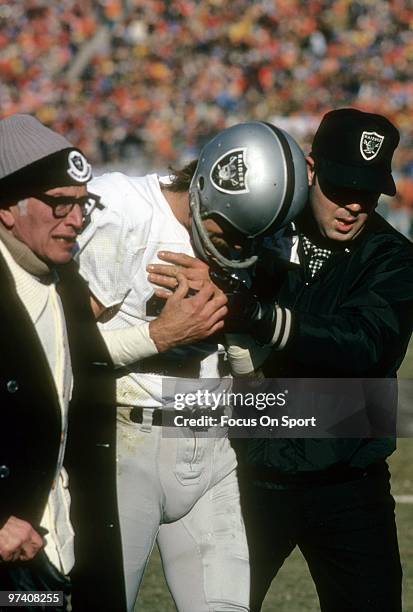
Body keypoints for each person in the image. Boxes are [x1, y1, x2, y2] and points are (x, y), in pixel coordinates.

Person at [150, 108, 413, 612]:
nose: (352, 206)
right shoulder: (263, 229)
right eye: (339, 187)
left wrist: (258, 316)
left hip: (350, 486)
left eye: (367, 193)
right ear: (311, 171)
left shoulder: (393, 258)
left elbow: (364, 347)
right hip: (252, 478)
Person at [75, 121, 308, 612]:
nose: (238, 250)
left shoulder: (258, 233)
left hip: (213, 448)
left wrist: (235, 315)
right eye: (229, 234)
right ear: (203, 187)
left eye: (252, 239)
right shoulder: (125, 212)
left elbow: (250, 373)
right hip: (121, 446)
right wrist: (160, 336)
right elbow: (56, 347)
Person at [0, 113, 126, 611]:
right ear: (8, 207)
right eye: (59, 205)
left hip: (59, 547)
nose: (75, 220)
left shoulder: (66, 283)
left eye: (82, 205)